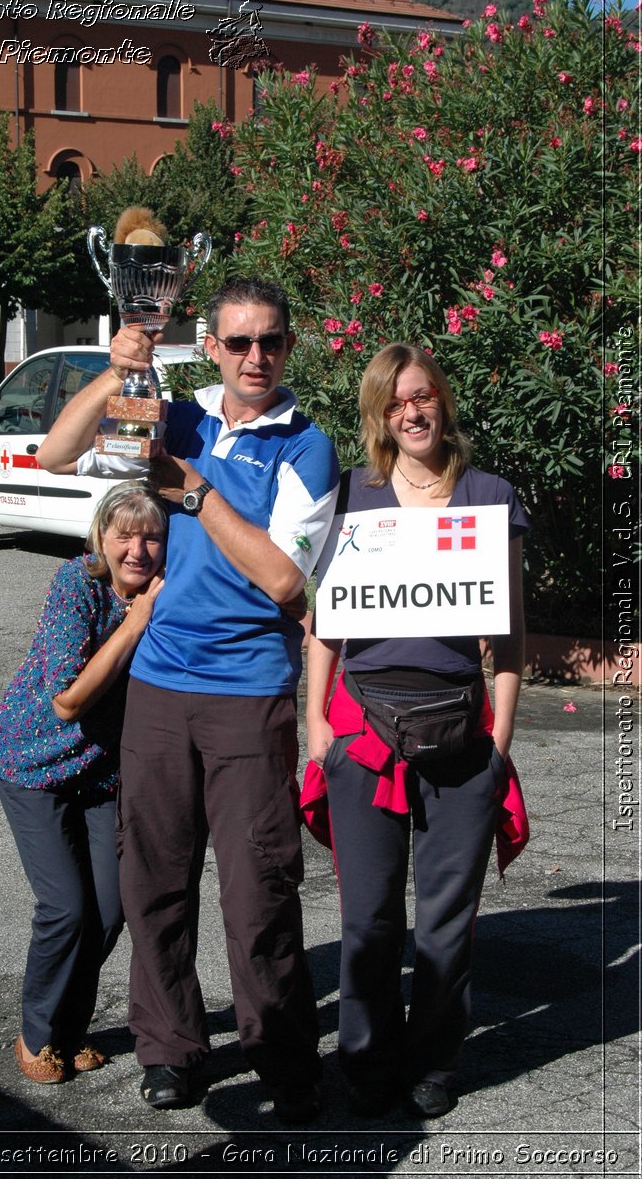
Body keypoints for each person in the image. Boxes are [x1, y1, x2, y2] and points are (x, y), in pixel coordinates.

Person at [36, 277, 340, 1122]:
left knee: (259, 894)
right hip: (161, 689)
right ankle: (172, 1052)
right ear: (209, 345)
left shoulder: (305, 444)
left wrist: (194, 487)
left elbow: (286, 579)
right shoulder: (180, 413)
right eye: (239, 342)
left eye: (271, 342)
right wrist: (114, 371)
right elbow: (58, 455)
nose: (255, 358)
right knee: (156, 884)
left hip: (249, 694)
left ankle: (284, 1061)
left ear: (289, 346)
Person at [305, 343, 529, 1120]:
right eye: (397, 401)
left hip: (462, 739)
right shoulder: (350, 497)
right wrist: (315, 730)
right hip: (363, 733)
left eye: (424, 396)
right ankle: (367, 1059)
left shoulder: (490, 495)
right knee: (368, 917)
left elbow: (510, 639)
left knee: (445, 920)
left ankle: (434, 1059)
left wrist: (497, 744)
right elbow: (324, 628)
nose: (413, 412)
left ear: (444, 401)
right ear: (379, 413)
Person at [0, 482, 167, 1084]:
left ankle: (70, 1030)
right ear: (101, 538)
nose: (137, 549)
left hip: (102, 775)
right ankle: (37, 1033)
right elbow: (67, 701)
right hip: (35, 764)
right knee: (65, 907)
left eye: (151, 536)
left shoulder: (165, 593)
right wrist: (135, 623)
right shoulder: (77, 584)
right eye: (124, 534)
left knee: (110, 911)